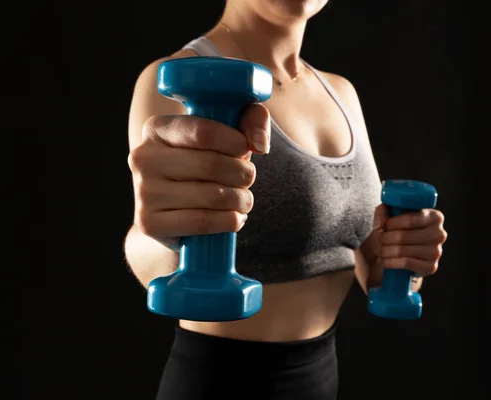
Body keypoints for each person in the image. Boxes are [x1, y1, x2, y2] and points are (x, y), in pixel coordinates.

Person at [124, 0, 448, 399]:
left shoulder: (341, 92)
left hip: (321, 378)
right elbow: (154, 241)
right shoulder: (176, 79)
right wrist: (153, 232)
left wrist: (402, 254)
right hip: (220, 383)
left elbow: (366, 259)